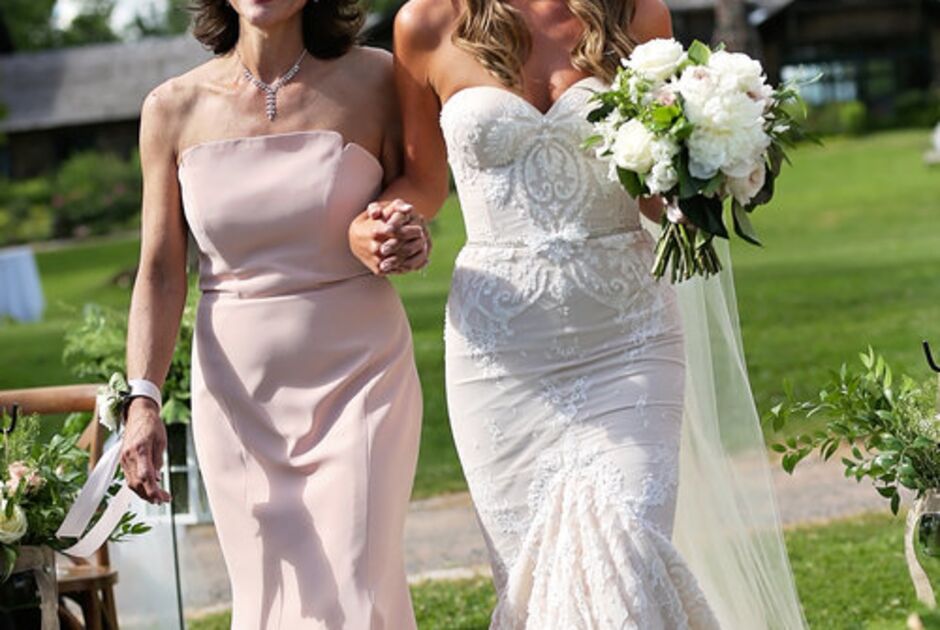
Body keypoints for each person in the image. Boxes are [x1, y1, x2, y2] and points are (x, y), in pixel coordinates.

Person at [354, 0, 808, 626]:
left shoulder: (636, 14)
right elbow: (424, 183)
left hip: (629, 336)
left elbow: (651, 193)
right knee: (535, 583)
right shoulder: (425, 24)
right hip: (501, 358)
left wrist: (703, 172)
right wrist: (381, 220)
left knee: (627, 556)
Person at [119, 1, 429, 627]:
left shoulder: (380, 79)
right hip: (237, 398)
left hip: (361, 378)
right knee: (267, 595)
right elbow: (160, 270)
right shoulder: (171, 108)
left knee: (357, 581)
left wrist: (406, 233)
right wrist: (142, 399)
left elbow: (419, 189)